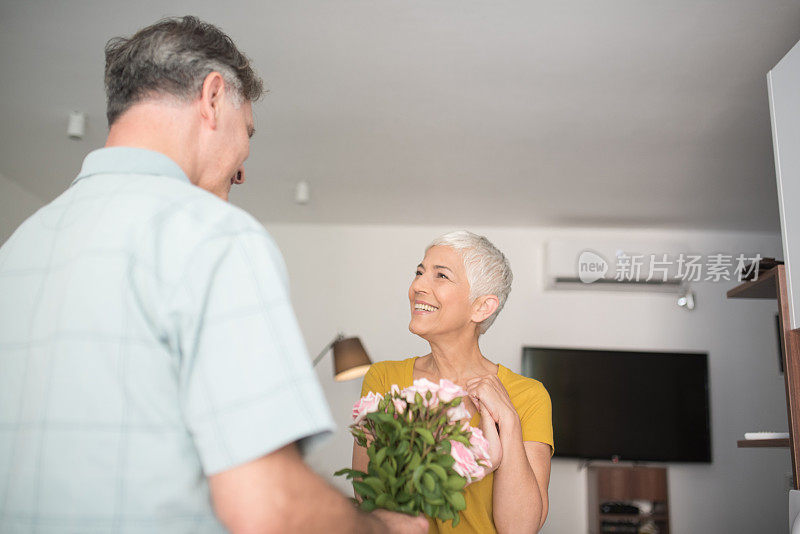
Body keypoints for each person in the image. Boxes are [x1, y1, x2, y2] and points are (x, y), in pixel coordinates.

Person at [0, 16, 427, 534]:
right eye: (246, 131)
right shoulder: (214, 233)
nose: (243, 168)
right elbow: (269, 508)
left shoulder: (21, 245)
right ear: (212, 96)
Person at [352, 231, 554, 533]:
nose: (417, 286)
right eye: (419, 273)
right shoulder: (384, 379)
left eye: (440, 276)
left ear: (482, 307)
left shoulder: (528, 395)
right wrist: (478, 463)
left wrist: (508, 422)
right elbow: (369, 497)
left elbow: (520, 529)